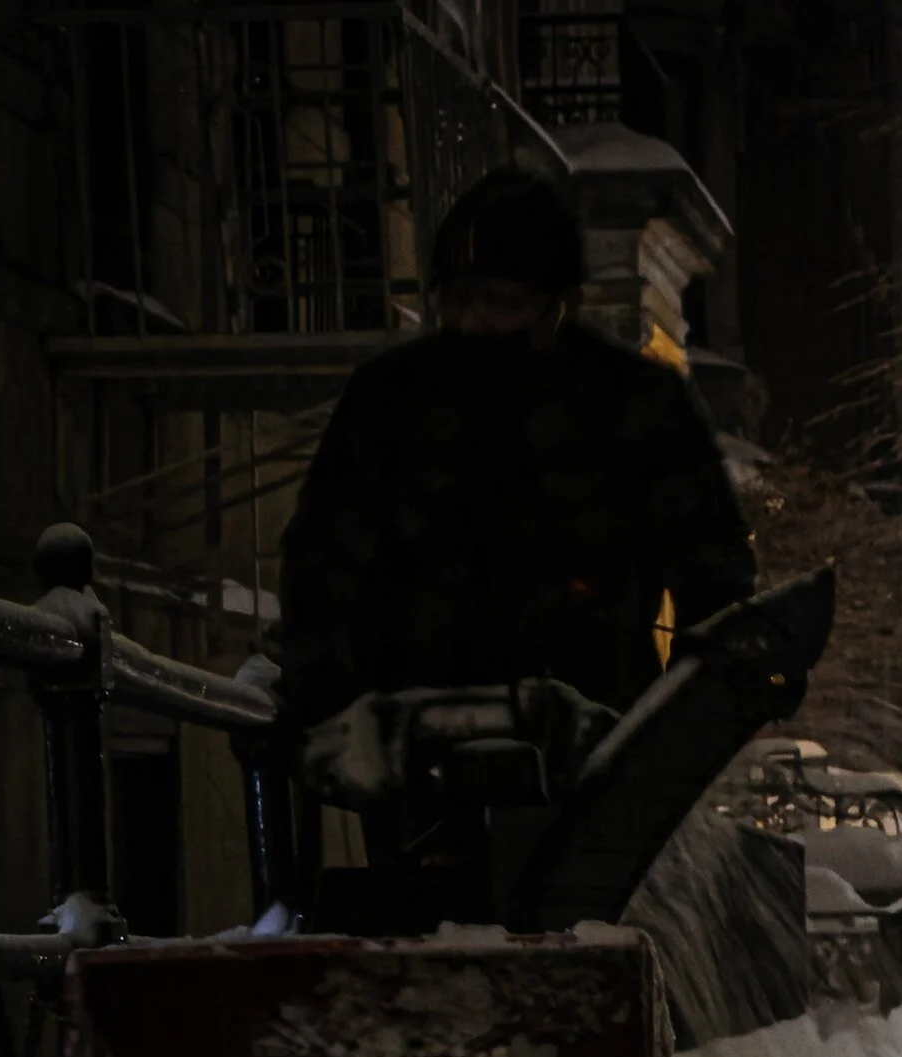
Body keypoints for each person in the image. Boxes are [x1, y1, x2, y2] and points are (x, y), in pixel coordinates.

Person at [279, 166, 757, 746]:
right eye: (458, 299)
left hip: (587, 733)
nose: (474, 321)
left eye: (500, 302)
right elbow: (323, 561)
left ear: (560, 304)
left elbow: (712, 567)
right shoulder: (392, 399)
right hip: (421, 738)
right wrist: (332, 702)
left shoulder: (632, 405)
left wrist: (689, 713)